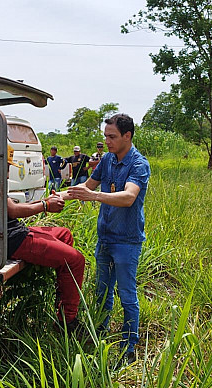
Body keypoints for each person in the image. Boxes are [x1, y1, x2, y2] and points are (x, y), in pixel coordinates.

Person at [66, 114, 150, 367]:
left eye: (112, 136)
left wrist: (93, 197)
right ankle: (99, 336)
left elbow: (128, 197)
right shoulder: (107, 160)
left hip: (126, 240)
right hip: (105, 238)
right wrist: (51, 199)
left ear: (128, 136)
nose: (107, 141)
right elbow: (87, 186)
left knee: (126, 295)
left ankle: (128, 347)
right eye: (105, 136)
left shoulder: (139, 164)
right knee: (102, 291)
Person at [6, 147, 86, 332]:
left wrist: (46, 200)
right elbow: (13, 211)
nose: (8, 170)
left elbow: (13, 207)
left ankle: (62, 296)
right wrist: (44, 205)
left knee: (64, 234)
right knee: (76, 261)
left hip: (16, 230)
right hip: (12, 239)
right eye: (7, 165)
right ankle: (68, 322)